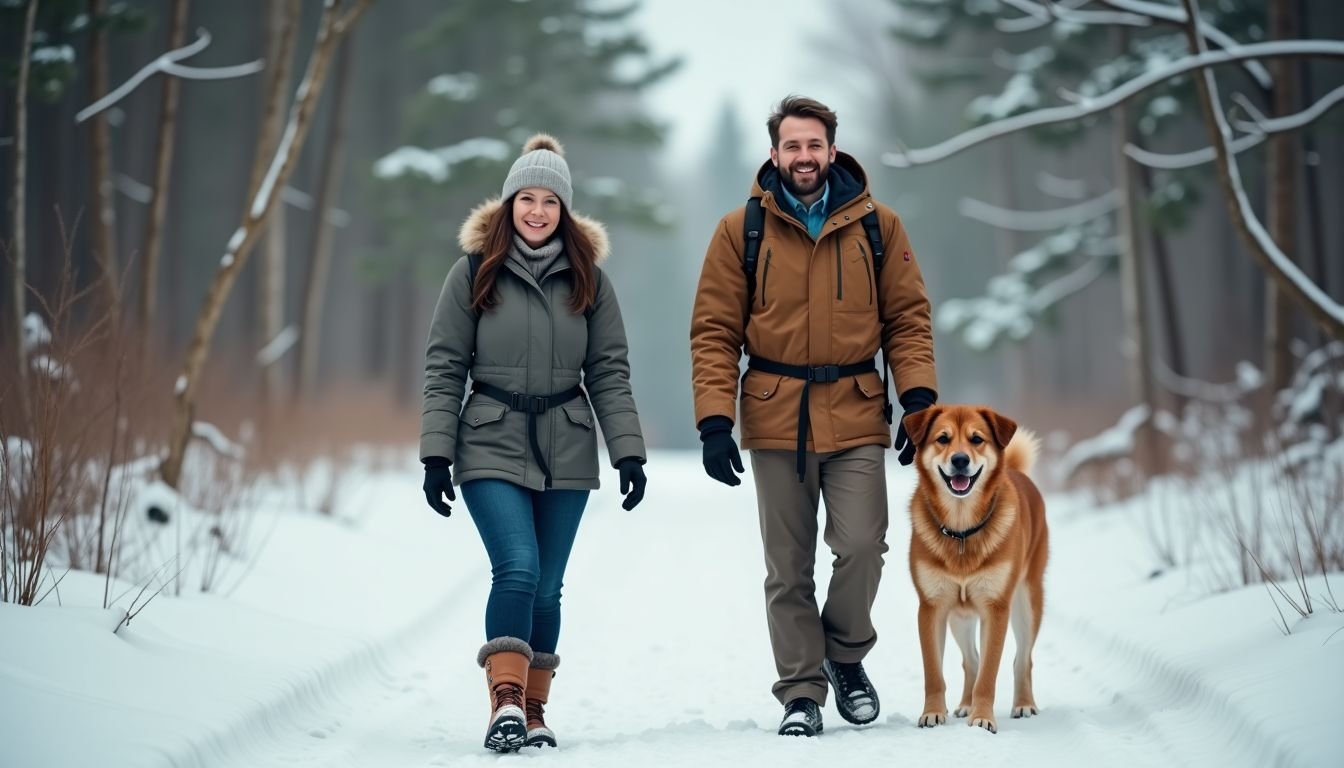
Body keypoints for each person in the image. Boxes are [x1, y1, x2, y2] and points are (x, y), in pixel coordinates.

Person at [689, 96, 938, 737]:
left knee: (863, 545)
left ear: (832, 150)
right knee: (788, 566)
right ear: (774, 154)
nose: (804, 156)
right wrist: (715, 421)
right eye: (792, 146)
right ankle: (802, 691)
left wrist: (918, 402)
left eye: (814, 145)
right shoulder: (739, 230)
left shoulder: (879, 227)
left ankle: (845, 657)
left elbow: (908, 321)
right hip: (775, 417)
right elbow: (714, 332)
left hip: (856, 410)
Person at [419, 134, 648, 752]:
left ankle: (537, 709)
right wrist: (436, 452)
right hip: (489, 438)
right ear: (508, 202)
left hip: (567, 445)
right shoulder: (472, 273)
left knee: (548, 586)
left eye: (550, 200)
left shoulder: (590, 281)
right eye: (527, 198)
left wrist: (628, 450)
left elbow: (608, 372)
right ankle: (506, 705)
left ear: (565, 210)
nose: (538, 211)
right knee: (517, 568)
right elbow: (444, 367)